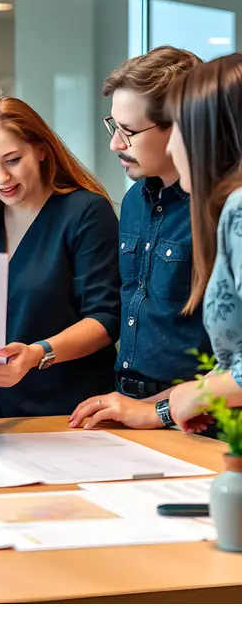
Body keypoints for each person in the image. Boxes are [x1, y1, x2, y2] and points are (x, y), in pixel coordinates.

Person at [71, 53, 242, 433]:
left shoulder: (231, 209)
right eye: (113, 126)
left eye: (128, 130)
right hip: (164, 408)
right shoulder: (136, 200)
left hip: (209, 421)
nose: (116, 143)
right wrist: (159, 409)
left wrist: (172, 405)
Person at [0, 96, 120, 418]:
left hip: (65, 410)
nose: (0, 178)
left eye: (12, 160)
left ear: (42, 150)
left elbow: (106, 320)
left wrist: (38, 353)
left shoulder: (84, 213)